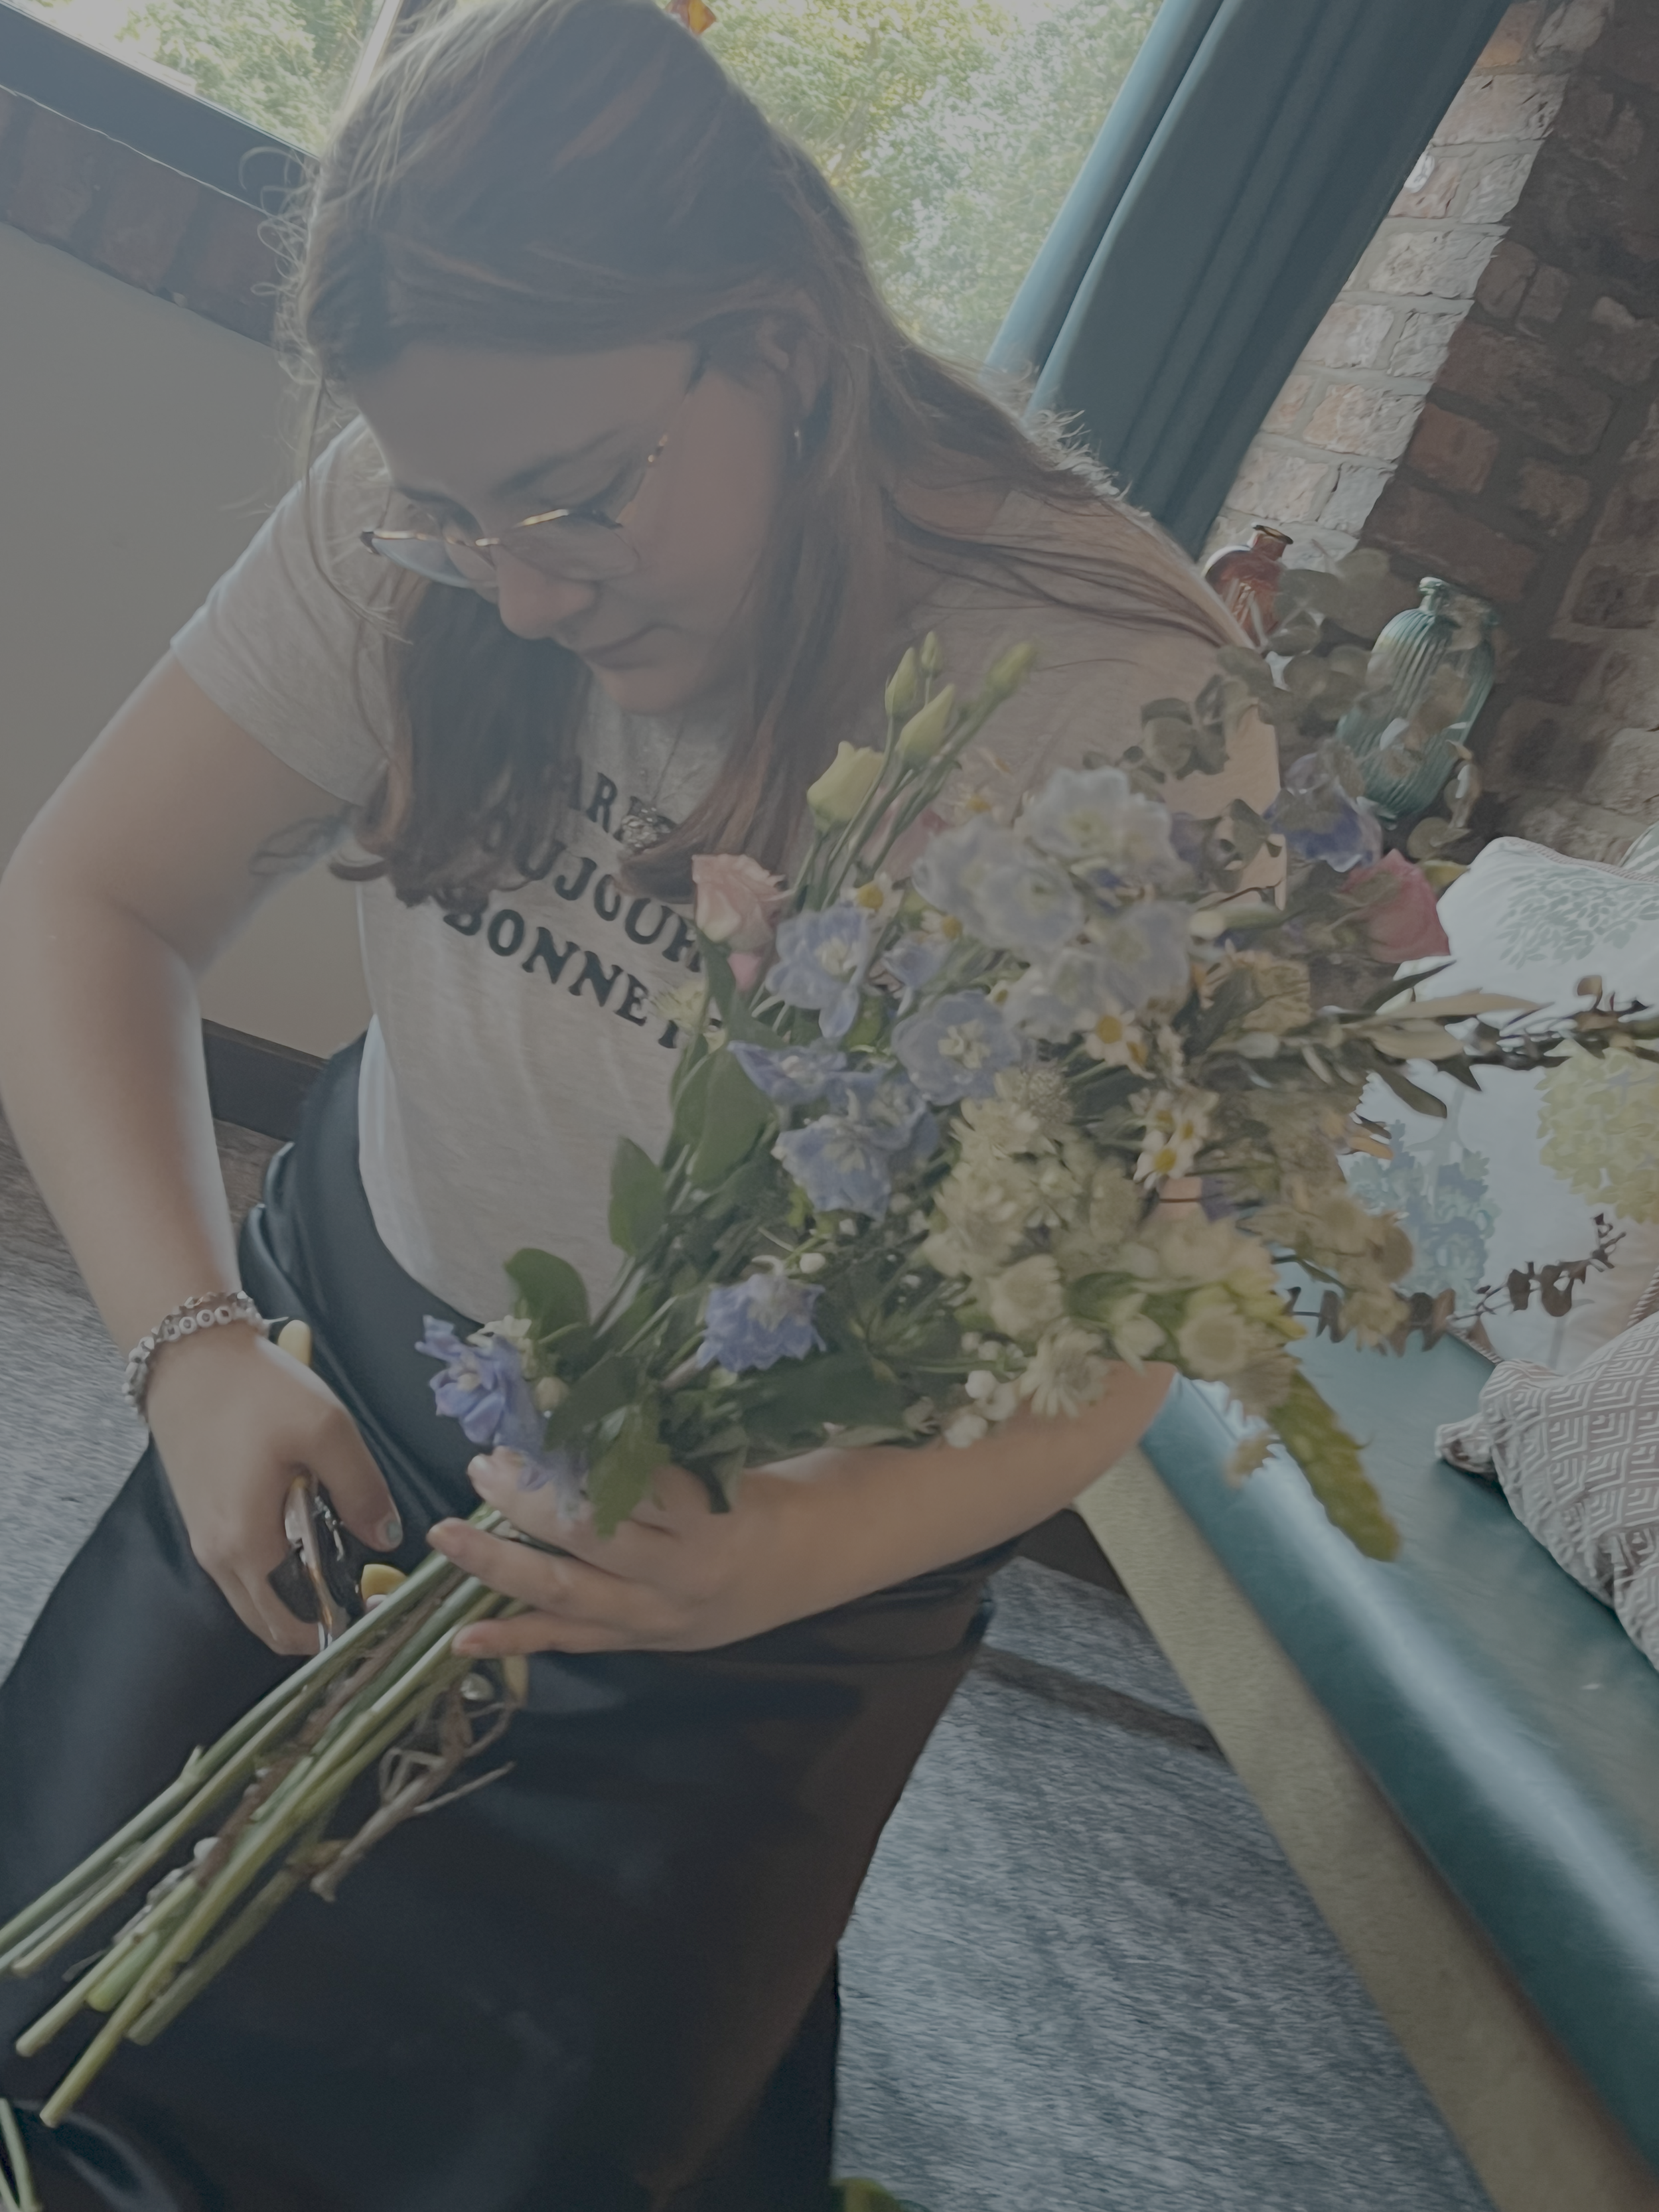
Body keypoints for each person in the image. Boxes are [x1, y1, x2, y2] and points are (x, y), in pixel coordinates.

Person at [0, 1, 1277, 2204]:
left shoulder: (1121, 699)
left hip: (751, 1570)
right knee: (58, 2037)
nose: (515, 584)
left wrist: (780, 1553)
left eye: (576, 498)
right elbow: (93, 897)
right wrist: (189, 1349)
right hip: (335, 1410)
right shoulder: (424, 511)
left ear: (774, 345)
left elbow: (1142, 1310)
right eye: (451, 517)